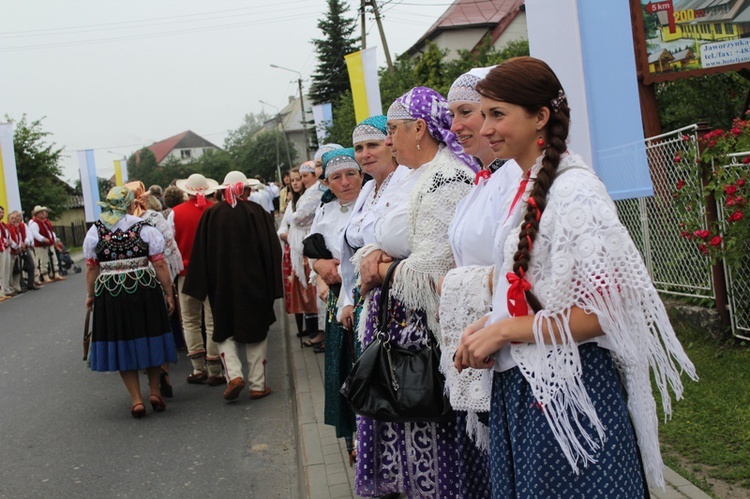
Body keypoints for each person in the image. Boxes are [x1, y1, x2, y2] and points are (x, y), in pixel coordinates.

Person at [453, 57, 698, 497]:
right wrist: (492, 325)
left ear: (540, 117)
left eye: (498, 114)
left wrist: (507, 329)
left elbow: (608, 313)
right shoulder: (528, 185)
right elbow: (537, 288)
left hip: (573, 393)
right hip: (534, 390)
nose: (486, 128)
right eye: (483, 113)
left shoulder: (575, 193)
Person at [354, 87, 477, 498]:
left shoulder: (446, 178)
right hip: (407, 325)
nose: (388, 141)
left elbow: (431, 268)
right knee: (405, 438)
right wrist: (376, 254)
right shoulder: (426, 176)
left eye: (391, 131)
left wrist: (382, 268)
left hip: (425, 333)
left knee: (430, 433)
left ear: (419, 129)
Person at [437, 67, 525, 498]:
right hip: (483, 344)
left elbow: (517, 269)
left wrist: (454, 283)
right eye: (454, 115)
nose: (456, 126)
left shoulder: (516, 178)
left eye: (467, 112)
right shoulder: (483, 179)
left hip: (510, 345)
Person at [183, 171, 283, 401]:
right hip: (255, 283)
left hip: (221, 284)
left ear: (221, 190)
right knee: (257, 331)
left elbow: (200, 253)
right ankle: (258, 385)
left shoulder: (211, 214)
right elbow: (272, 251)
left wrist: (200, 285)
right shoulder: (258, 213)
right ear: (246, 189)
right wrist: (273, 285)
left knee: (223, 329)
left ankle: (234, 375)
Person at [83, 186, 177, 418]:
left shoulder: (96, 232)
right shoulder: (145, 229)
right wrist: (168, 292)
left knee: (121, 340)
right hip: (143, 285)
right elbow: (160, 264)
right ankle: (154, 391)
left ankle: (137, 400)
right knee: (151, 335)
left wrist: (90, 295)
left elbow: (91, 268)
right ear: (131, 204)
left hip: (110, 292)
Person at [306, 148, 363, 464]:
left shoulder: (370, 203)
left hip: (362, 296)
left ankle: (373, 438)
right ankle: (352, 440)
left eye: (350, 174)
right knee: (342, 367)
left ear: (360, 175)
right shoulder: (325, 212)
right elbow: (313, 250)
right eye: (337, 177)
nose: (345, 182)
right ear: (327, 183)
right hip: (335, 298)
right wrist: (319, 266)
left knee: (365, 366)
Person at [337, 116, 410, 331]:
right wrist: (349, 300)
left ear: (390, 144)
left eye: (372, 145)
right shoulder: (368, 190)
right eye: (358, 148)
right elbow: (350, 252)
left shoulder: (407, 183)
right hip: (365, 298)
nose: (365, 154)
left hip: (396, 300)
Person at [169, 173, 226, 387]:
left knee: (191, 320)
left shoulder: (175, 213)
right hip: (212, 272)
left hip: (186, 273)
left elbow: (171, 245)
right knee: (212, 320)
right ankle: (214, 369)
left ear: (187, 190)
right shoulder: (217, 209)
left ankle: (197, 367)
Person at [278, 168, 320, 343]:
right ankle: (307, 329)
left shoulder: (310, 199)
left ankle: (316, 331)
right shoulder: (292, 202)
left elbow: (298, 220)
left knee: (311, 292)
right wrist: (287, 235)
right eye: (294, 179)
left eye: (300, 178)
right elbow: (283, 226)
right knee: (299, 291)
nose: (296, 182)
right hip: (293, 251)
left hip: (306, 250)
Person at [28, 205, 63, 284]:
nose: (43, 214)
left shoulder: (44, 222)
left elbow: (49, 232)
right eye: (41, 213)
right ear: (37, 215)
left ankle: (55, 273)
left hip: (48, 243)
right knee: (43, 260)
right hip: (41, 245)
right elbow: (35, 234)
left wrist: (52, 239)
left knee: (53, 258)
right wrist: (43, 239)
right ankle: (45, 276)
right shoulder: (34, 224)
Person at [7, 211, 37, 293]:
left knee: (31, 264)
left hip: (24, 247)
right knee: (17, 268)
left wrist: (25, 243)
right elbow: (12, 239)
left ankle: (31, 283)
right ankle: (21, 285)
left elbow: (28, 235)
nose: (17, 218)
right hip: (16, 249)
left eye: (18, 216)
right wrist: (18, 246)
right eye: (14, 217)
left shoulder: (22, 225)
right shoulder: (10, 227)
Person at [0, 206, 12, 301]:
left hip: (5, 248)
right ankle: (1, 291)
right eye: (0, 212)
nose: (2, 214)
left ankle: (5, 288)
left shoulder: (3, 225)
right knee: (1, 271)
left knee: (5, 269)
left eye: (2, 212)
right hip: (1, 248)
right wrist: (5, 242)